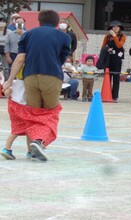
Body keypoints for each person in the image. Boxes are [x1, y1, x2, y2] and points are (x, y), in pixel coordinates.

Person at [2, 10, 71, 161]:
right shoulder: (64, 37)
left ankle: (31, 152)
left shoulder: (28, 34)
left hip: (30, 77)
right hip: (52, 76)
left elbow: (20, 59)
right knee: (50, 113)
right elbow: (61, 59)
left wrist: (9, 80)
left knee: (32, 114)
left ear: (39, 21)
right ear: (57, 22)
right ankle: (39, 142)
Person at [1, 68, 33, 160]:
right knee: (29, 131)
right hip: (25, 109)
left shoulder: (13, 82)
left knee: (15, 130)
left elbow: (6, 93)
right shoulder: (30, 84)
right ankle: (30, 151)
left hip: (14, 109)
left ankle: (7, 148)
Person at [101, 20, 126, 102]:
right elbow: (103, 47)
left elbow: (119, 45)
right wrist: (107, 49)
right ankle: (107, 94)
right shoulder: (107, 37)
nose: (115, 28)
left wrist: (114, 36)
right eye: (114, 27)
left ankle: (115, 96)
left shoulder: (123, 36)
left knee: (116, 77)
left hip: (117, 59)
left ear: (120, 28)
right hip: (108, 58)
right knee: (108, 77)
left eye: (117, 27)